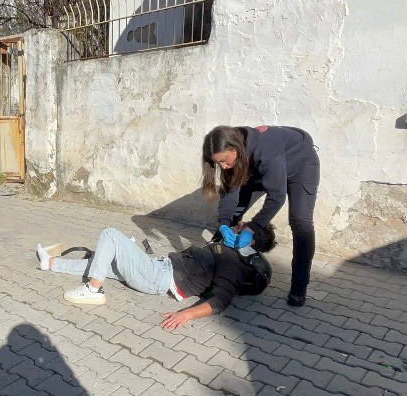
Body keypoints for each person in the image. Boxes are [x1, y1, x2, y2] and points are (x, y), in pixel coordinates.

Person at [38, 225, 276, 330]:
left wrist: (187, 314)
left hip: (158, 277)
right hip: (158, 268)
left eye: (243, 228)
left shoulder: (233, 261)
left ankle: (93, 290)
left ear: (252, 242)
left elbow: (221, 300)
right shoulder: (228, 250)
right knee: (103, 260)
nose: (236, 227)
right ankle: (49, 263)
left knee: (110, 235)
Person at [202, 125, 320, 307]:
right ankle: (211, 266)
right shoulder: (233, 153)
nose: (223, 166)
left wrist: (253, 227)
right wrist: (224, 224)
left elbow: (277, 197)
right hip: (261, 170)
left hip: (300, 166)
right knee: (232, 215)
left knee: (300, 222)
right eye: (219, 164)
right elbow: (230, 194)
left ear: (235, 148)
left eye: (224, 161)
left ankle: (299, 287)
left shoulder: (265, 152)